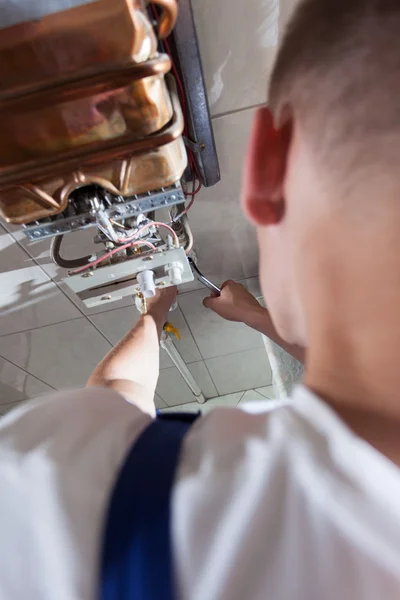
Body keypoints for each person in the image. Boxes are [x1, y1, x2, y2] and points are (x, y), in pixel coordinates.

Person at [1, 0, 400, 598]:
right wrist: (253, 317)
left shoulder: (53, 490)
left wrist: (155, 311)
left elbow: (118, 396)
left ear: (267, 169)